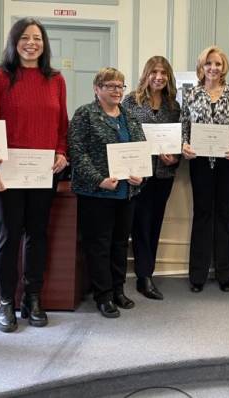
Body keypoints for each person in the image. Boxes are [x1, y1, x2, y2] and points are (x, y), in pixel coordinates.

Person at [0, 18, 69, 332]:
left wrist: (62, 153)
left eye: (38, 38)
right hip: (5, 173)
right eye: (26, 37)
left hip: (43, 172)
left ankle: (32, 297)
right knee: (9, 235)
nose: (32, 43)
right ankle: (5, 300)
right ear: (14, 41)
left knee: (37, 235)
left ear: (44, 44)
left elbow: (61, 126)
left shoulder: (56, 80)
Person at [69, 67, 144, 318]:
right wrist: (99, 179)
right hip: (97, 193)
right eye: (110, 85)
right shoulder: (85, 114)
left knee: (120, 244)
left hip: (126, 193)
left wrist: (140, 174)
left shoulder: (129, 116)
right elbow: (77, 153)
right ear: (97, 88)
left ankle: (118, 289)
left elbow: (141, 149)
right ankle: (104, 295)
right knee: (99, 245)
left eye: (120, 86)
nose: (116, 90)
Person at [180, 46, 229, 293]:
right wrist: (184, 144)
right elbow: (185, 125)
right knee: (203, 214)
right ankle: (197, 276)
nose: (213, 68)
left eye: (217, 64)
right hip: (200, 163)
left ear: (223, 67)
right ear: (201, 67)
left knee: (225, 215)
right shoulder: (192, 94)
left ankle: (224, 275)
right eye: (208, 64)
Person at [123, 56, 181, 301]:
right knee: (140, 224)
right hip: (140, 173)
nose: (159, 77)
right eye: (154, 72)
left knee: (155, 223)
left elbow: (179, 138)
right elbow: (123, 136)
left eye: (163, 73)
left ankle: (148, 273)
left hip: (164, 174)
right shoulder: (131, 102)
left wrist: (175, 157)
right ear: (146, 74)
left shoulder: (173, 105)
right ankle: (143, 276)